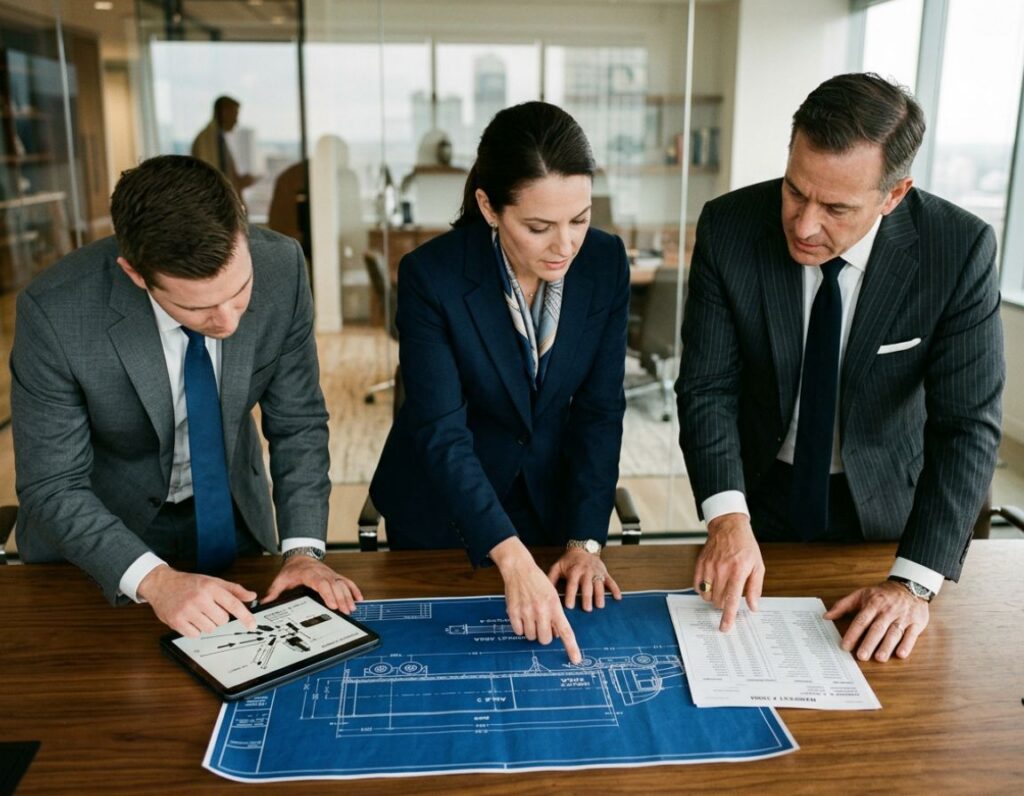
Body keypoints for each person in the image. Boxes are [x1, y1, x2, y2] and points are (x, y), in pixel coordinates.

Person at [676, 73, 1003, 663]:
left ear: (894, 195)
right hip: (757, 494)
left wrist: (912, 584)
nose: (804, 225)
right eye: (795, 191)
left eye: (836, 208)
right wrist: (725, 517)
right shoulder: (730, 226)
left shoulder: (957, 250)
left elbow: (966, 427)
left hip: (886, 514)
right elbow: (708, 388)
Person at [11, 155, 362, 637]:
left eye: (239, 293)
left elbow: (298, 422)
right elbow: (53, 484)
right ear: (136, 274)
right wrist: (154, 580)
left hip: (231, 515)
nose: (228, 322)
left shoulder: (282, 267)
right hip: (102, 540)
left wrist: (304, 552)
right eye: (198, 308)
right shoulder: (56, 312)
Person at [369, 102, 630, 663]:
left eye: (579, 219)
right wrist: (510, 557)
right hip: (442, 513)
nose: (566, 245)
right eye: (538, 227)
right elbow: (441, 430)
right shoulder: (431, 276)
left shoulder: (605, 261)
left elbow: (600, 411)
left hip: (549, 505)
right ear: (489, 207)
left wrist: (585, 540)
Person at [191, 95, 257, 197]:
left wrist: (239, 181)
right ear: (224, 113)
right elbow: (210, 179)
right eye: (234, 115)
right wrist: (238, 182)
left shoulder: (217, 138)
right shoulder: (206, 141)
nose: (236, 121)